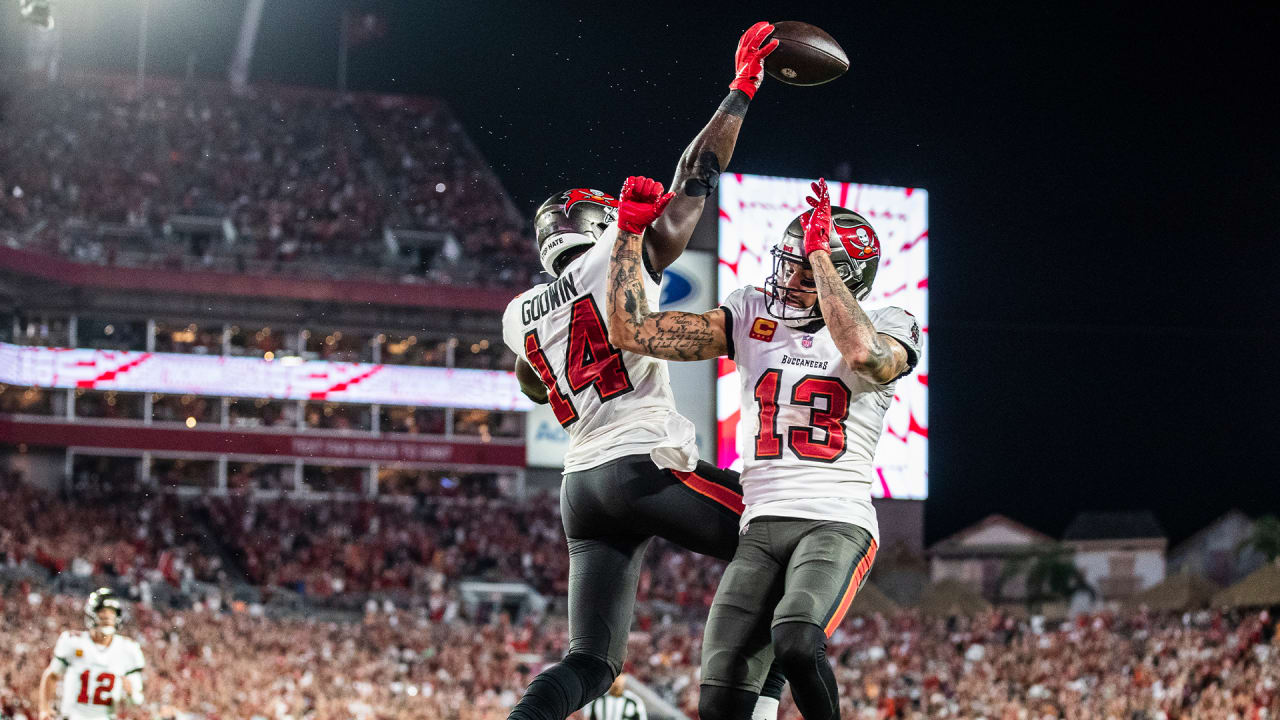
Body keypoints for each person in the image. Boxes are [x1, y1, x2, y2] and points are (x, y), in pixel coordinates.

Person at [502, 22, 788, 720]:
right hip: (642, 464)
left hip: (583, 486)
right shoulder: (617, 256)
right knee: (792, 549)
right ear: (597, 224)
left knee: (591, 663)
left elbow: (532, 380)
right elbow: (695, 180)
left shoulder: (520, 311)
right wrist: (740, 93)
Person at [606, 176, 921, 720]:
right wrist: (628, 238)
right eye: (791, 261)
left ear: (843, 276)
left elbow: (867, 357)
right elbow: (632, 332)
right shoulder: (753, 311)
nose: (788, 276)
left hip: (836, 520)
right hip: (761, 523)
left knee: (798, 639)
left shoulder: (892, 323)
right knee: (720, 699)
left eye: (805, 267)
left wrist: (820, 260)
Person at [37, 588, 146, 720]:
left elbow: (137, 700)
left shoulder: (128, 649)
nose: (107, 616)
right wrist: (44, 708)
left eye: (112, 612)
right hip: (72, 716)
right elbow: (52, 675)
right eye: (103, 611)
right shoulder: (73, 641)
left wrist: (131, 693)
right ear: (92, 613)